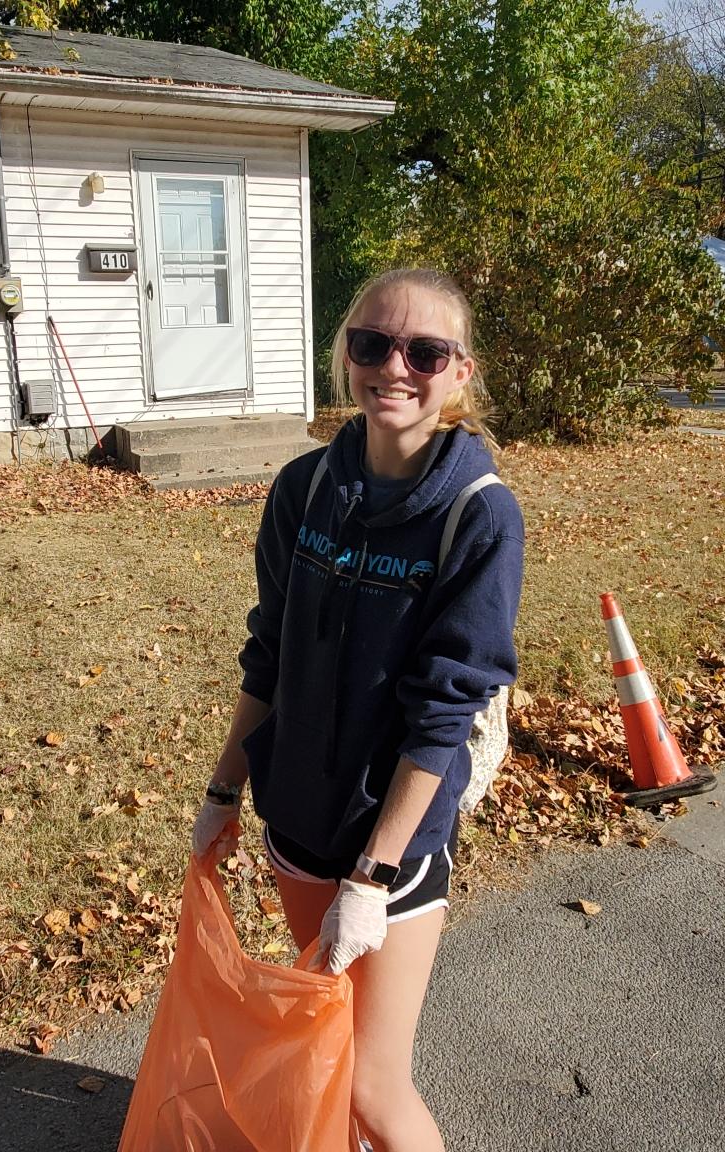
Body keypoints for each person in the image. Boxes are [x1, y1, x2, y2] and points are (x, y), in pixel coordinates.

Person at [192, 267, 525, 1152]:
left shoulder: (477, 516)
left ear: (460, 372)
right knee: (326, 1062)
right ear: (345, 355)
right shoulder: (303, 491)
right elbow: (270, 650)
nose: (394, 366)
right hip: (299, 823)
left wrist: (372, 878)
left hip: (395, 853)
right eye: (372, 343)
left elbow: (445, 709)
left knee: (375, 1090)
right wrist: (225, 790)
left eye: (424, 350)